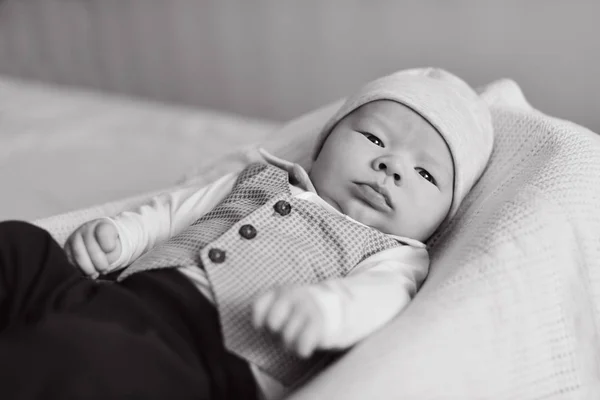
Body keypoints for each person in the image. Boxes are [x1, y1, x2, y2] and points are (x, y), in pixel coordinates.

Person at [0, 67, 493, 399]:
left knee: (89, 358)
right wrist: (120, 237)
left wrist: (326, 310)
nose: (391, 165)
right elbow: (175, 211)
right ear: (323, 144)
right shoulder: (259, 177)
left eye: (426, 175)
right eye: (373, 138)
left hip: (206, 359)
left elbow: (379, 299)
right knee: (21, 246)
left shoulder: (396, 255)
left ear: (441, 219)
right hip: (119, 296)